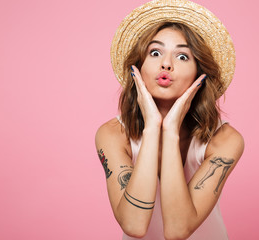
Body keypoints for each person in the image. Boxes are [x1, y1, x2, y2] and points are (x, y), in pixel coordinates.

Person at [95, 0, 244, 239]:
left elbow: (177, 230)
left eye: (183, 56)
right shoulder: (112, 134)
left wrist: (171, 129)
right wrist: (153, 127)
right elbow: (134, 225)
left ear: (200, 74)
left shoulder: (226, 140)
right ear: (138, 67)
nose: (166, 63)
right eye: (155, 53)